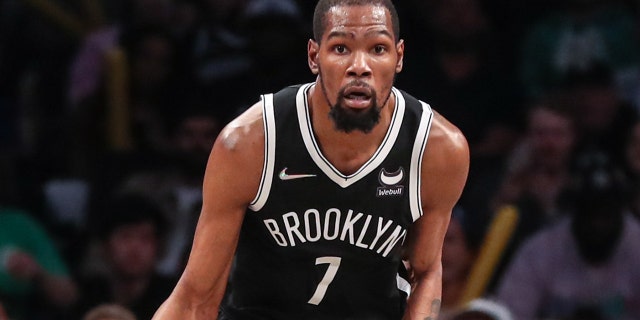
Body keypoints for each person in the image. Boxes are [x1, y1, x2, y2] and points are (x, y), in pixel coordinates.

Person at [152, 0, 470, 319]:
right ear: (314, 56)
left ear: (398, 57)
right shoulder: (251, 142)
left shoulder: (438, 148)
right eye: (341, 48)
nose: (359, 66)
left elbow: (425, 273)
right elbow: (195, 297)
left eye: (377, 48)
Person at [495, 158, 640, 319]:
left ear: (621, 210)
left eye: (606, 214)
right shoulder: (541, 250)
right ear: (574, 211)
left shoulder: (636, 245)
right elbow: (509, 313)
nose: (597, 225)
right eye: (590, 213)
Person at [74, 193, 177, 320]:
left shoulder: (174, 298)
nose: (134, 248)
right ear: (104, 246)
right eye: (125, 236)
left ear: (160, 247)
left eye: (145, 238)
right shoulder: (86, 297)